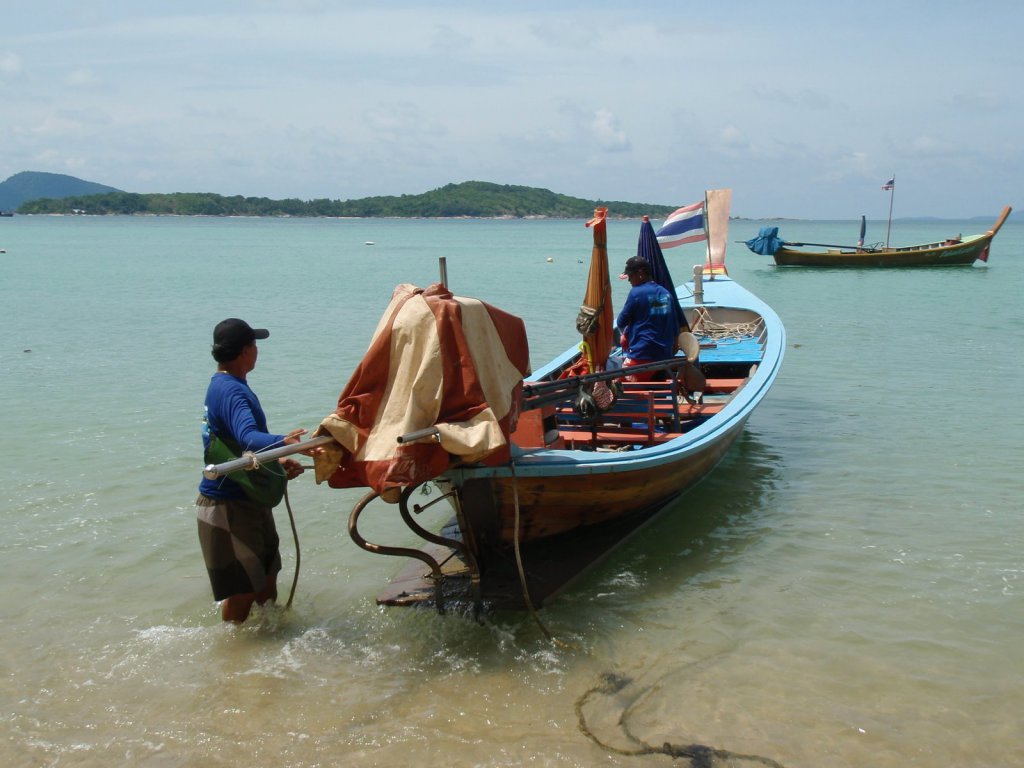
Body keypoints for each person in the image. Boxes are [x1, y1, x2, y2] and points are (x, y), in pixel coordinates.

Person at [196, 318, 308, 623]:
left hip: (248, 498)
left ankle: (264, 654)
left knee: (266, 582)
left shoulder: (225, 386)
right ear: (246, 351)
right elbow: (248, 437)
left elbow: (236, 447)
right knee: (243, 590)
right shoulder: (231, 391)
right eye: (255, 346)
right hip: (227, 506)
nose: (257, 352)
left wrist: (280, 462)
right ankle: (231, 658)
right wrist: (288, 443)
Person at [615, 256, 679, 382]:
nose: (629, 280)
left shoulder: (636, 292)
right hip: (664, 357)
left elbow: (621, 322)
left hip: (641, 355)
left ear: (640, 274)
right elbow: (675, 328)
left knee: (615, 385)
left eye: (630, 276)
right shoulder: (666, 293)